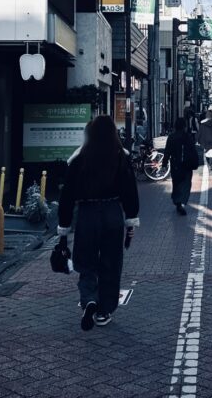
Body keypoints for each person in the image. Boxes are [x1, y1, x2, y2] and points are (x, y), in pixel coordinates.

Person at [56, 116, 140, 331]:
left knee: (85, 260)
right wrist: (130, 223)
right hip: (112, 213)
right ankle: (104, 311)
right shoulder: (120, 157)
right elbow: (130, 191)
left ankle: (89, 299)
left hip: (87, 214)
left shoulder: (79, 159)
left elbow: (66, 197)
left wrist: (63, 230)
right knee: (111, 263)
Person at [163, 117, 199, 215]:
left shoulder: (171, 137)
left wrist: (164, 164)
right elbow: (193, 151)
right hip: (187, 165)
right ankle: (182, 202)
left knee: (176, 183)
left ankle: (177, 201)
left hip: (175, 164)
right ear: (184, 126)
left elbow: (167, 151)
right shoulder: (188, 137)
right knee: (186, 184)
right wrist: (196, 162)